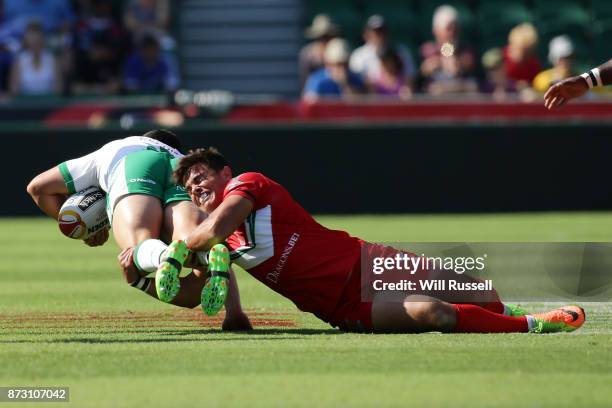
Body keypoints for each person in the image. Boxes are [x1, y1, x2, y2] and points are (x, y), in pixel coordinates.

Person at [119, 146, 586, 334]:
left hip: (367, 262)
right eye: (191, 186)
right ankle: (536, 326)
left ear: (225, 173)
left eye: (203, 177)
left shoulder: (248, 184)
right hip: (342, 306)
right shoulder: (217, 238)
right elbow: (211, 272)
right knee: (435, 313)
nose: (198, 188)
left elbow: (212, 233)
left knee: (478, 290)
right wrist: (233, 314)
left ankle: (510, 315)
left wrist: (177, 247)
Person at [26, 130, 251, 330]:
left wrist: (87, 231)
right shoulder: (180, 158)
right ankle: (203, 260)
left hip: (132, 164)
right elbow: (192, 297)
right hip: (181, 170)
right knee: (199, 244)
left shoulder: (118, 146)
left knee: (139, 244)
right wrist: (234, 312)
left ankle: (164, 255)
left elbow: (37, 188)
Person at [419, 5, 477, 95]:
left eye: (456, 28)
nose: (453, 32)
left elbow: (472, 86)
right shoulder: (427, 51)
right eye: (449, 28)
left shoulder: (467, 52)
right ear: (436, 30)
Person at [349, 15, 416, 92]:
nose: (379, 36)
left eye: (382, 31)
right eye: (376, 32)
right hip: (369, 101)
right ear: (366, 34)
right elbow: (356, 83)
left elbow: (410, 79)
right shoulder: (358, 55)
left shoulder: (401, 52)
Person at [9, 22, 62, 96]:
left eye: (37, 38)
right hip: (24, 105)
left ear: (42, 39)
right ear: (26, 40)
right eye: (31, 38)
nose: (34, 41)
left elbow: (58, 90)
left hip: (49, 104)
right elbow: (14, 91)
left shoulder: (53, 60)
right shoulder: (19, 61)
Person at [544, 58, 612, 110]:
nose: (568, 62)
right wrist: (586, 81)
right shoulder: (544, 79)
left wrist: (586, 81)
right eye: (563, 58)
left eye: (571, 58)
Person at [298, 14, 340, 88]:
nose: (324, 41)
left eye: (327, 37)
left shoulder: (338, 51)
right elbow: (305, 80)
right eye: (321, 37)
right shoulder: (307, 54)